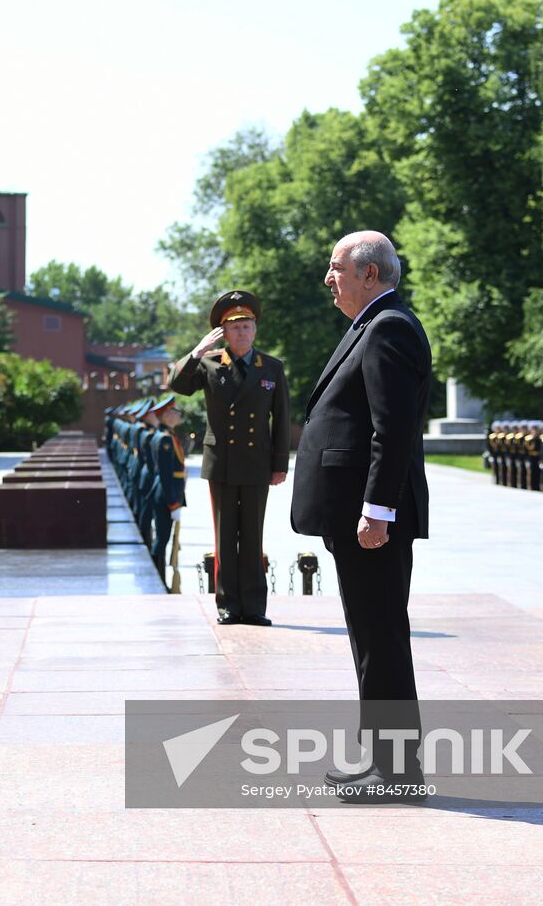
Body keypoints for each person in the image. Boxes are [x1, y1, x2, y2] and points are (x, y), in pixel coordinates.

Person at [290, 231, 431, 798]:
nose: (329, 278)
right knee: (373, 639)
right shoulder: (370, 324)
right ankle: (387, 764)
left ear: (369, 274)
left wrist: (377, 511)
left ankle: (397, 773)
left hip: (371, 520)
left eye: (336, 267)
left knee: (382, 641)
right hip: (357, 517)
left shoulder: (389, 327)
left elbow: (390, 430)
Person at [169, 289, 289, 625]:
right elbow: (177, 384)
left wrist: (280, 464)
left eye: (248, 326)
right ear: (223, 332)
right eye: (235, 328)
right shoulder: (209, 363)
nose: (243, 333)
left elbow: (281, 418)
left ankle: (253, 607)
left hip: (256, 463)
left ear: (255, 330)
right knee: (225, 537)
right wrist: (197, 351)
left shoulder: (272, 368)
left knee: (252, 536)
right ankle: (228, 605)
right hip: (221, 461)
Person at [147, 395, 186, 580]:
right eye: (174, 411)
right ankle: (157, 578)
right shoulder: (164, 439)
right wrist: (173, 503)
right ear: (166, 416)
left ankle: (158, 576)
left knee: (163, 538)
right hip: (165, 496)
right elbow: (166, 475)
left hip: (166, 494)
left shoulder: (167, 436)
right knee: (162, 539)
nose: (178, 414)